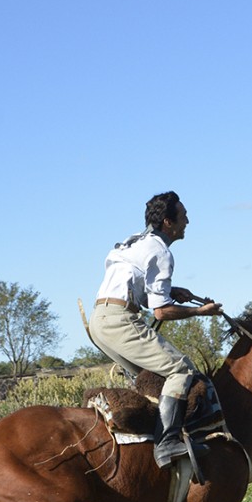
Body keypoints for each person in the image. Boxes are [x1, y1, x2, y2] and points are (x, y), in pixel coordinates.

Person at [89, 191, 222, 468]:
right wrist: (201, 312)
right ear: (167, 222)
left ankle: (146, 448)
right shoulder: (162, 252)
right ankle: (167, 444)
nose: (187, 221)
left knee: (151, 378)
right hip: (120, 320)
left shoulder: (133, 242)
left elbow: (140, 290)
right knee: (181, 369)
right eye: (183, 216)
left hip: (99, 321)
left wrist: (172, 290)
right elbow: (161, 311)